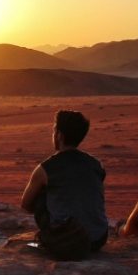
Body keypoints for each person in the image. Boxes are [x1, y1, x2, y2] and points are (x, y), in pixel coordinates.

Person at [21, 110, 108, 259]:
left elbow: (26, 204)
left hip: (68, 240)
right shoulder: (96, 164)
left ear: (59, 135)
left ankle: (50, 237)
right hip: (98, 238)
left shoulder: (46, 168)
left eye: (54, 130)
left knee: (41, 195)